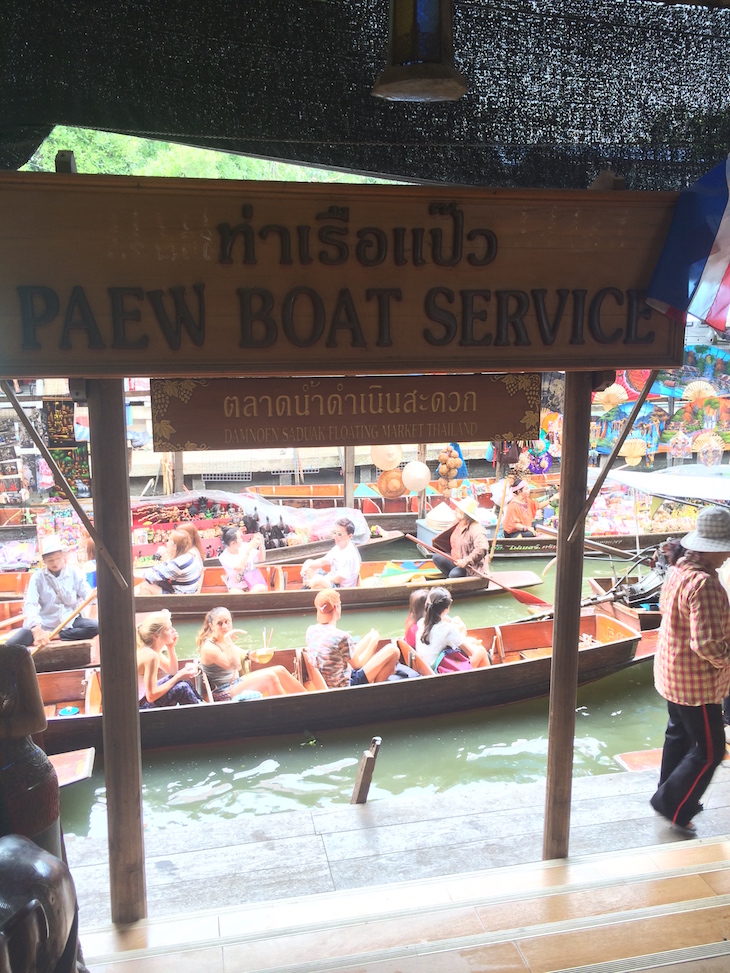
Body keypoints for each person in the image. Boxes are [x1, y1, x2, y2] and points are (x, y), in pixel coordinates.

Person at [649, 506, 730, 836]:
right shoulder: (704, 584)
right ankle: (674, 806)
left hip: (672, 675)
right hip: (698, 684)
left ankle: (668, 793)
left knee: (679, 736)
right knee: (711, 751)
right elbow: (709, 646)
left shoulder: (679, 569)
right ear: (714, 547)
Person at [196, 606, 315, 698]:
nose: (225, 626)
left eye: (227, 622)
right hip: (224, 692)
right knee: (270, 678)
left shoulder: (222, 640)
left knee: (279, 670)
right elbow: (235, 665)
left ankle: (308, 700)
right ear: (211, 626)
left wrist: (259, 653)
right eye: (220, 623)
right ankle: (284, 712)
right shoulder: (209, 648)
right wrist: (229, 641)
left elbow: (246, 654)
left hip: (235, 683)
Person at [4, 535, 98, 648]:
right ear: (44, 561)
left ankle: (56, 635)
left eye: (58, 559)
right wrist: (36, 629)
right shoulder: (38, 577)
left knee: (96, 627)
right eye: (50, 560)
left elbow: (87, 593)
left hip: (70, 622)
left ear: (64, 557)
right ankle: (47, 634)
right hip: (44, 623)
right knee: (10, 646)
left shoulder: (74, 573)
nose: (55, 563)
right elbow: (30, 604)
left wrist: (93, 596)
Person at [305, 589, 398, 688]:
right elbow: (358, 666)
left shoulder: (310, 631)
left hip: (330, 680)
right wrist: (374, 643)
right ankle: (376, 691)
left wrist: (369, 638)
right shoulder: (342, 637)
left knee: (369, 637)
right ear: (336, 607)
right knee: (393, 650)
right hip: (346, 686)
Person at [136, 610, 202, 709]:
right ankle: (204, 718)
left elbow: (172, 671)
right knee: (182, 688)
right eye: (168, 629)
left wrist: (171, 648)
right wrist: (179, 676)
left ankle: (202, 706)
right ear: (155, 636)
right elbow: (151, 696)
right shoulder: (151, 656)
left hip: (143, 699)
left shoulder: (152, 651)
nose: (173, 630)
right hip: (139, 707)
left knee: (183, 681)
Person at [415, 587, 489, 671]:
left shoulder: (421, 623)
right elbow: (470, 652)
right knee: (481, 651)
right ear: (447, 608)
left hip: (427, 668)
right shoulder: (448, 629)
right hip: (438, 671)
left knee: (470, 642)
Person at [432, 497, 489, 579]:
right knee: (437, 557)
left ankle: (455, 579)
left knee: (454, 574)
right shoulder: (456, 523)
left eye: (458, 509)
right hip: (456, 560)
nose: (456, 509)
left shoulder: (476, 529)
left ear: (464, 514)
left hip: (469, 566)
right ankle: (451, 577)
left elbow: (482, 548)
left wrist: (466, 561)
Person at [136, 527, 203, 595]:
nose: (166, 543)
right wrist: (151, 570)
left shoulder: (177, 564)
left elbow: (156, 576)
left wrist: (139, 574)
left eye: (168, 541)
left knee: (144, 587)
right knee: (148, 582)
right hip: (188, 591)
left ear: (175, 546)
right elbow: (164, 565)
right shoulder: (187, 556)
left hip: (181, 596)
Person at [301, 518, 361, 589]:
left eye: (339, 534)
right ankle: (312, 587)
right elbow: (323, 561)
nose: (335, 537)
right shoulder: (338, 547)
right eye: (334, 533)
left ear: (350, 536)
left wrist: (317, 581)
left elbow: (338, 579)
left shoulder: (349, 555)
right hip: (331, 579)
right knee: (309, 563)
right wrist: (307, 565)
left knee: (317, 580)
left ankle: (312, 588)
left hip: (340, 587)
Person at [218, 527, 267, 593]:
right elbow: (239, 568)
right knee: (236, 594)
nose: (242, 539)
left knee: (261, 588)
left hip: (252, 583)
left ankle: (248, 598)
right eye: (239, 538)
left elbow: (262, 559)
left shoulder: (245, 546)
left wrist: (261, 545)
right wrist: (248, 551)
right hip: (236, 587)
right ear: (233, 543)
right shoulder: (223, 557)